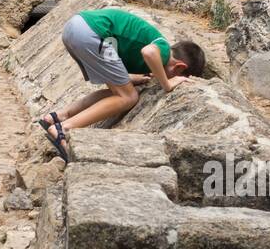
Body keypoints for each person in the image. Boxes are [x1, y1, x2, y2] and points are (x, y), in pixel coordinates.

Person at [37, 8, 206, 162]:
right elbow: (149, 52)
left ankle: (58, 116)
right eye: (176, 75)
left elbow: (123, 60)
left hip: (76, 27)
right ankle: (63, 129)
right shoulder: (162, 48)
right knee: (129, 97)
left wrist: (131, 78)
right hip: (92, 32)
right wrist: (167, 84)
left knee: (117, 93)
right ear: (179, 67)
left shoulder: (154, 54)